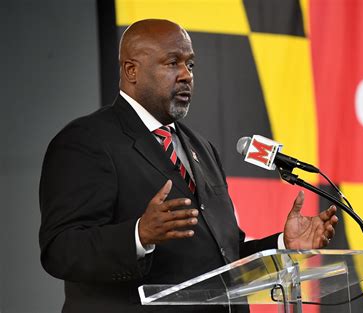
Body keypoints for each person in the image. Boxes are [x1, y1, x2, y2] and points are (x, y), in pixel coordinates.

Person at [39, 19, 338, 313]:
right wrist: (138, 235)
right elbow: (61, 250)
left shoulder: (201, 148)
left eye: (190, 65)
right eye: (172, 63)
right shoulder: (87, 141)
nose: (186, 75)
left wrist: (283, 244)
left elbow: (223, 259)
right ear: (132, 70)